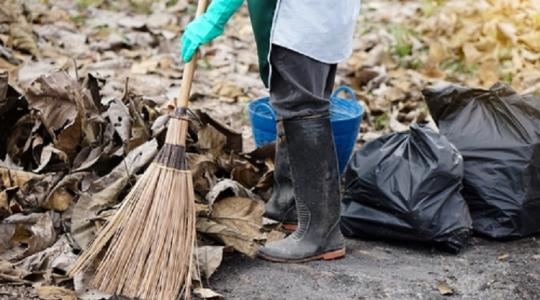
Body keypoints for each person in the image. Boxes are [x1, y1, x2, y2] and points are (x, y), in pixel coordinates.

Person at [181, 0, 361, 263]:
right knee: (297, 100)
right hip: (321, 16)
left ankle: (321, 232)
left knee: (302, 107)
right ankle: (289, 205)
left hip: (299, 16)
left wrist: (215, 15)